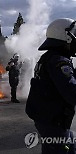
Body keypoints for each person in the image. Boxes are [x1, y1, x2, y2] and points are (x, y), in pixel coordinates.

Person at [26, 18, 76, 154]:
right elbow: (73, 93)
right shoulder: (58, 62)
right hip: (53, 121)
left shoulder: (50, 57)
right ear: (66, 37)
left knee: (70, 145)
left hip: (48, 118)